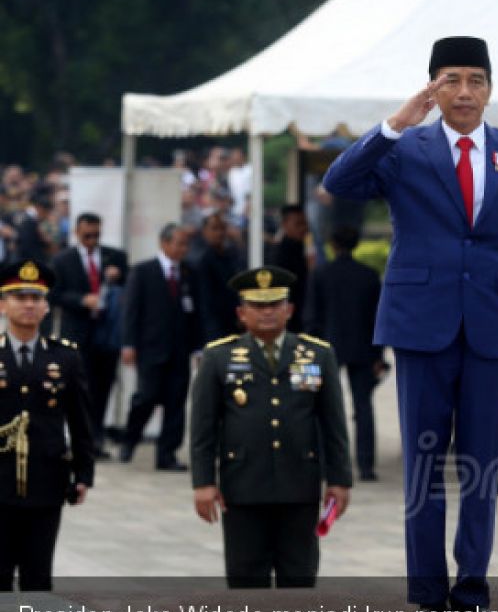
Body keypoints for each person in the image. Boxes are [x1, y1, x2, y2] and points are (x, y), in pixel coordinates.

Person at [322, 37, 498, 612]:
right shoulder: (404, 149)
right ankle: (426, 593)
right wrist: (396, 123)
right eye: (452, 79)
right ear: (432, 87)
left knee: (481, 469)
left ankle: (472, 589)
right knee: (423, 468)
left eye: (476, 79)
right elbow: (339, 183)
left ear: (491, 88)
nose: (465, 91)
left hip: (494, 331)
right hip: (422, 328)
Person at [190, 266, 353, 588]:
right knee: (246, 579)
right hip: (243, 487)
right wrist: (203, 482)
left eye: (275, 304)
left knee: (299, 578)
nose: (267, 312)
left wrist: (339, 479)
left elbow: (334, 423)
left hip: (300, 486)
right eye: (257, 305)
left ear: (289, 309)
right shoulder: (219, 357)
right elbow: (203, 427)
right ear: (241, 312)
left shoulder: (317, 354)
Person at [0, 260, 94, 591]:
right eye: (19, 296)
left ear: (46, 306)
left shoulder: (65, 357)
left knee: (38, 577)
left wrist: (84, 473)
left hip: (46, 480)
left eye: (36, 298)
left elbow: (79, 420)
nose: (28, 304)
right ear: (2, 303)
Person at [304, 225, 386, 481]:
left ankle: (320, 461)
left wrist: (308, 350)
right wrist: (378, 355)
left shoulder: (320, 273)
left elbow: (311, 316)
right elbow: (377, 319)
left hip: (326, 348)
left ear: (333, 244)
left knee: (321, 406)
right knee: (363, 407)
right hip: (363, 348)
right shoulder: (369, 275)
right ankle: (366, 465)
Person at [119, 223, 200, 471]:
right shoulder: (143, 272)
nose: (182, 249)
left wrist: (198, 347)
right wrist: (128, 344)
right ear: (164, 243)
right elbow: (130, 311)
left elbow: (197, 314)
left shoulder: (189, 272)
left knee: (176, 402)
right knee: (147, 397)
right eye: (178, 243)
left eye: (185, 244)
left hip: (179, 349)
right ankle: (130, 438)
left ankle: (167, 454)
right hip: (150, 348)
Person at [49, 213, 128, 458]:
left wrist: (118, 276)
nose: (92, 240)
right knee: (79, 388)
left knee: (103, 387)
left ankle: (96, 439)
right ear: (77, 232)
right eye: (87, 236)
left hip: (106, 334)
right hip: (78, 333)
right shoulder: (63, 260)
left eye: (96, 235)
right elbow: (55, 295)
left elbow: (131, 287)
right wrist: (81, 300)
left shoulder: (113, 257)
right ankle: (76, 438)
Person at [195, 213, 245, 341]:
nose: (219, 233)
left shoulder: (232, 254)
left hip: (234, 324)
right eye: (214, 228)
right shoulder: (201, 259)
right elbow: (205, 302)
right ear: (205, 231)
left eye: (222, 228)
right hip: (213, 329)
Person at [267, 205, 309, 334]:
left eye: (305, 224)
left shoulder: (300, 248)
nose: (304, 228)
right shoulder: (280, 254)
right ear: (285, 224)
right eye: (298, 224)